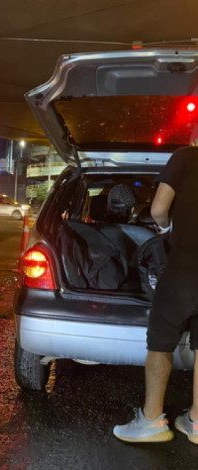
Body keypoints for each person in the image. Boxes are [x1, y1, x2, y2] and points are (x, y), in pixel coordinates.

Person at [113, 146, 198, 444]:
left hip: (184, 270)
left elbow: (158, 208)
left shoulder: (187, 156)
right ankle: (196, 422)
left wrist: (166, 228)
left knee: (161, 343)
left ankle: (151, 421)